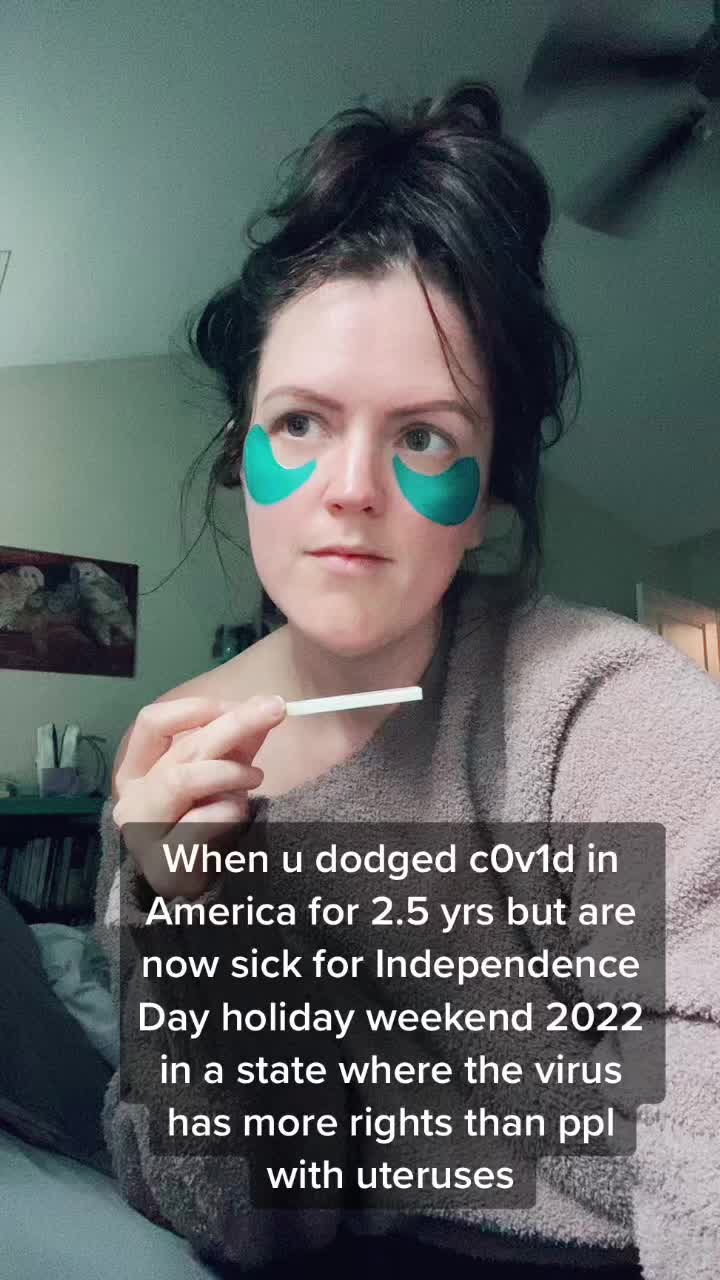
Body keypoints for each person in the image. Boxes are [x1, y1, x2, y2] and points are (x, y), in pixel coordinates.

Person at [95, 81, 720, 1279]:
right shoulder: (170, 762)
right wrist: (183, 915)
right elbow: (240, 1213)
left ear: (485, 498)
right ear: (239, 450)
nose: (351, 488)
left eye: (423, 435)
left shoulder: (611, 714)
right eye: (300, 423)